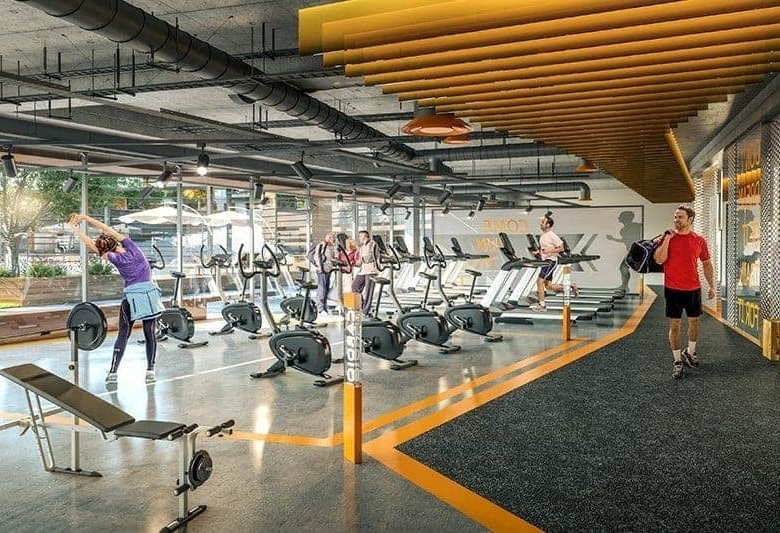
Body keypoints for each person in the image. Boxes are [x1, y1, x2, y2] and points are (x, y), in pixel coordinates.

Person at [69, 213, 164, 384]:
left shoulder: (114, 258)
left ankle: (113, 372)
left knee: (123, 335)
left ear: (106, 250)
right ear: (117, 242)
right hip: (149, 297)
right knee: (150, 334)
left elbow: (90, 244)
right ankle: (150, 370)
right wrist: (87, 218)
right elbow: (108, 229)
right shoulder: (133, 248)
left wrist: (74, 228)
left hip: (131, 299)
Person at [653, 204, 716, 379]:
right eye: (675, 217)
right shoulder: (666, 238)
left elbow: (706, 264)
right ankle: (677, 362)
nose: (676, 220)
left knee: (694, 322)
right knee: (675, 325)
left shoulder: (699, 240)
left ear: (690, 219)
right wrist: (667, 239)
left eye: (680, 217)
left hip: (693, 288)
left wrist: (712, 285)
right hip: (673, 289)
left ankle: (690, 352)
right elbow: (659, 260)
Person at [529, 212, 578, 312]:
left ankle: (542, 306)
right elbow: (545, 248)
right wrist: (538, 252)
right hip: (546, 261)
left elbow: (561, 248)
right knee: (549, 286)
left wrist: (549, 251)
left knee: (539, 282)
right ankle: (570, 287)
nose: (540, 224)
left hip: (550, 261)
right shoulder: (543, 236)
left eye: (543, 222)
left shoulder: (552, 235)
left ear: (548, 225)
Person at [606, 210, 643, 294]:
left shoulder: (626, 229)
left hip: (635, 251)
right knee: (623, 268)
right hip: (633, 251)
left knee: (623, 267)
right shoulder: (635, 227)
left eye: (621, 216)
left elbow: (627, 240)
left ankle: (624, 286)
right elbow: (626, 240)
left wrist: (613, 239)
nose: (618, 218)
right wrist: (613, 239)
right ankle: (625, 286)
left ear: (625, 218)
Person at [351, 230, 378, 316]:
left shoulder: (373, 244)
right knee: (355, 286)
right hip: (363, 270)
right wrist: (356, 263)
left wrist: (361, 260)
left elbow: (370, 257)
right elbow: (360, 260)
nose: (359, 238)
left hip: (371, 270)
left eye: (360, 236)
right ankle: (361, 306)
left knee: (368, 291)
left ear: (364, 236)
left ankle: (365, 311)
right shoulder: (362, 247)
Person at [312, 232, 337, 317]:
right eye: (333, 238)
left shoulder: (331, 247)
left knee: (326, 289)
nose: (334, 240)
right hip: (322, 270)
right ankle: (320, 308)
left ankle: (324, 308)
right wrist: (321, 268)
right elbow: (317, 256)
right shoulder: (322, 245)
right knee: (322, 289)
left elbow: (332, 258)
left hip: (328, 270)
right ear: (329, 238)